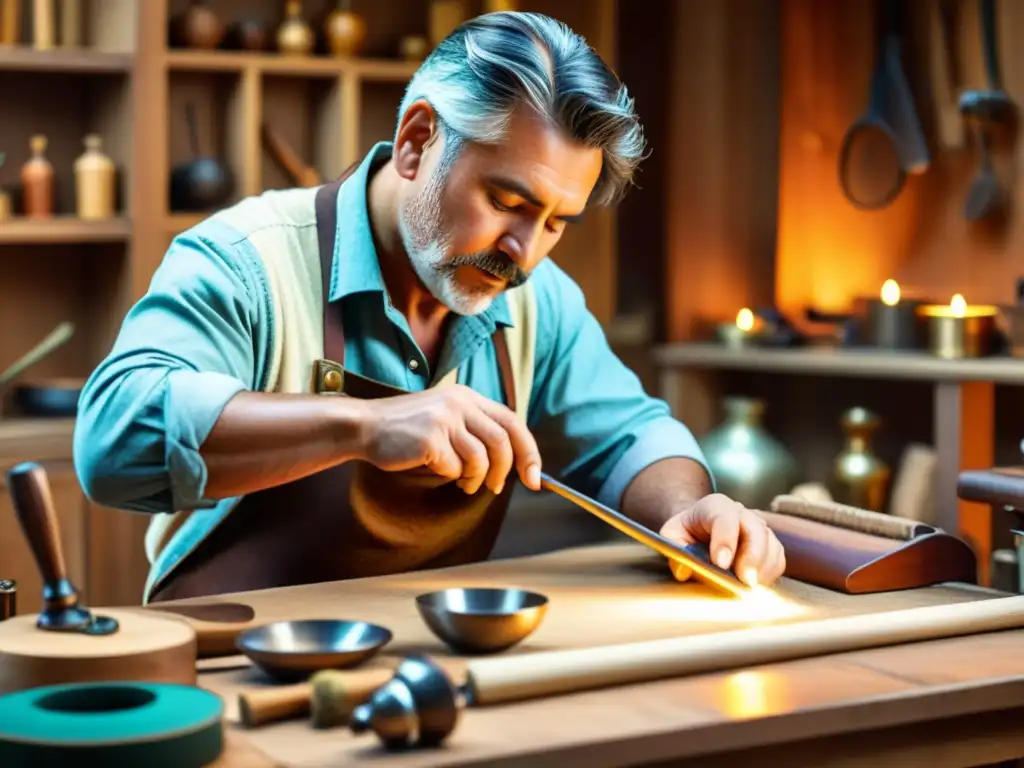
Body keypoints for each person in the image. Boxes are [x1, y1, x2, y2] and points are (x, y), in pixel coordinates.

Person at [73, 11, 786, 604]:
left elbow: (631, 438)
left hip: (436, 664)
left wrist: (690, 508)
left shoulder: (538, 299)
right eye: (508, 202)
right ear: (417, 143)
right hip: (237, 665)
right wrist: (363, 424)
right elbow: (111, 442)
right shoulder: (245, 260)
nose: (526, 251)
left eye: (557, 221)